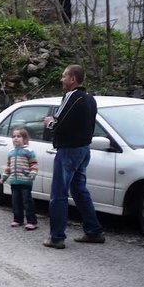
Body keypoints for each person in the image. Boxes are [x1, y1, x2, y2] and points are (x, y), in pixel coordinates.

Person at [42, 64, 105, 249]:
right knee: (79, 190)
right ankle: (94, 231)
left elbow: (58, 123)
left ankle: (57, 237)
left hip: (68, 151)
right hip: (84, 149)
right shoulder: (90, 99)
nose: (61, 80)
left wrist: (49, 123)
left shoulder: (72, 97)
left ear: (73, 79)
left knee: (59, 194)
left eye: (64, 76)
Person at [0, 128, 38, 230]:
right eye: (14, 136)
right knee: (15, 201)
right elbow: (8, 167)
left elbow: (34, 164)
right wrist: (4, 177)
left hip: (25, 181)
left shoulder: (29, 151)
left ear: (24, 139)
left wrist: (33, 173)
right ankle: (18, 219)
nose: (15, 138)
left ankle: (31, 221)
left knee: (27, 201)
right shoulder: (11, 153)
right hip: (14, 181)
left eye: (18, 136)